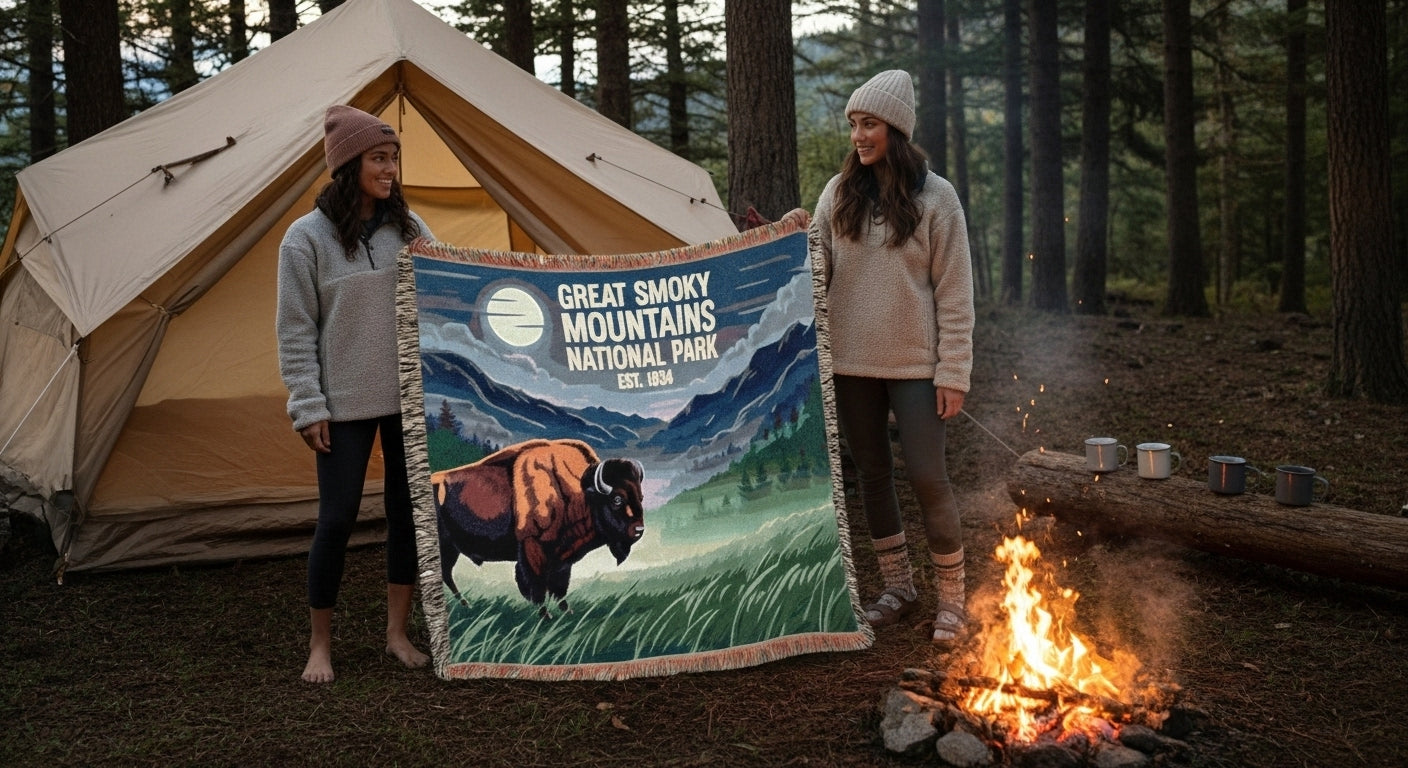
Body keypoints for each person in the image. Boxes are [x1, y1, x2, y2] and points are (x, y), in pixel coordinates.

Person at [810, 70, 975, 648]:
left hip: (916, 366)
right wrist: (781, 245)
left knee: (929, 478)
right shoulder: (838, 193)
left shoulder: (938, 198)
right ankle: (899, 588)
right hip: (849, 362)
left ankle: (952, 600)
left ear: (896, 131)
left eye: (869, 124)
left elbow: (955, 292)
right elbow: (814, 269)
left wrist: (953, 372)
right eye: (853, 124)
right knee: (873, 476)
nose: (858, 135)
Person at [277, 104, 432, 682]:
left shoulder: (409, 229)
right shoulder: (304, 240)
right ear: (349, 166)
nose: (390, 169)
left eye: (393, 158)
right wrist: (307, 404)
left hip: (408, 398)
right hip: (342, 403)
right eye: (378, 159)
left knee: (406, 515)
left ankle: (397, 634)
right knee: (337, 519)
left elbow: (449, 282)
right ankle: (320, 644)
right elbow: (295, 329)